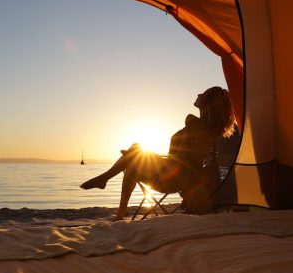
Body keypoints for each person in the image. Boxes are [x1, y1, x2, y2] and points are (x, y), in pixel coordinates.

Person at [80, 86, 235, 220]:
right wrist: (142, 156)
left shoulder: (199, 127)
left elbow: (187, 162)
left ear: (208, 103)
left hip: (175, 178)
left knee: (135, 152)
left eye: (203, 94)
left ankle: (105, 181)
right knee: (133, 159)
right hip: (171, 173)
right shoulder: (201, 127)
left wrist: (141, 156)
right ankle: (121, 209)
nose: (199, 94)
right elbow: (181, 156)